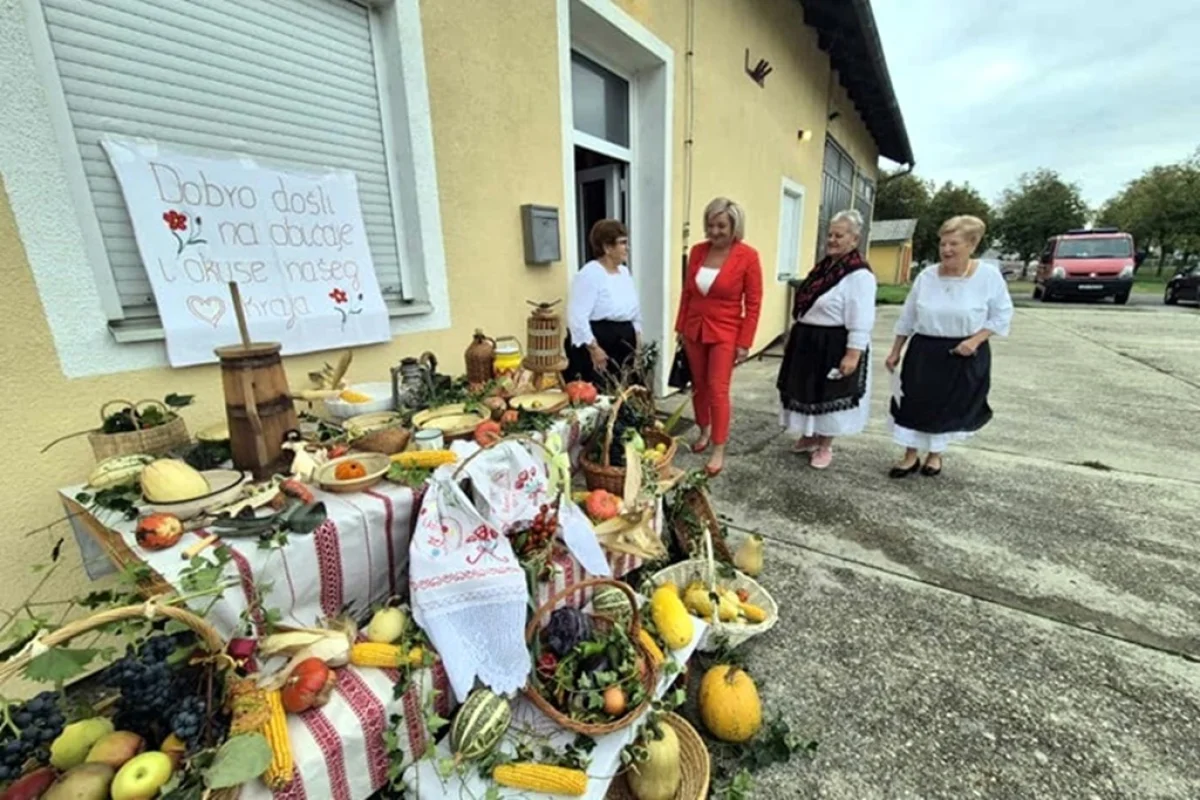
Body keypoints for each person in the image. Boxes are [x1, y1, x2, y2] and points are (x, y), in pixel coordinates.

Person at [885, 215, 1014, 477]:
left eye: (953, 244)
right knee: (913, 404)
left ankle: (935, 455)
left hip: (963, 353)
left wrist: (975, 340)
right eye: (943, 244)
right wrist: (896, 350)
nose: (946, 250)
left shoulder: (988, 277)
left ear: (971, 245)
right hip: (924, 352)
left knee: (947, 408)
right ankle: (910, 456)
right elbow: (908, 316)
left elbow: (1002, 315)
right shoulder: (926, 276)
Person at [776, 209, 877, 469]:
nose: (831, 240)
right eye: (830, 234)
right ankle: (810, 436)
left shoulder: (859, 275)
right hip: (808, 339)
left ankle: (825, 445)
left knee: (828, 395)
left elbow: (861, 317)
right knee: (807, 390)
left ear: (854, 239)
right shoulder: (824, 268)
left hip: (834, 342)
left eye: (838, 236)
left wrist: (853, 353)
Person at [675, 197, 763, 477]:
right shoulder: (698, 251)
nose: (715, 231)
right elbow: (687, 293)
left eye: (721, 226)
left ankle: (718, 447)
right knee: (699, 386)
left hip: (726, 332)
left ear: (734, 226)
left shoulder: (748, 256)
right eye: (710, 225)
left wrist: (745, 342)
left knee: (717, 389)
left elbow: (754, 303)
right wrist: (680, 327)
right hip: (694, 329)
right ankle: (704, 429)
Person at [566, 219, 642, 388]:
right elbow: (577, 316)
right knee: (601, 391)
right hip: (601, 342)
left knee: (624, 391)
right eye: (622, 243)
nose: (627, 248)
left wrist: (637, 342)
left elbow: (634, 310)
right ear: (607, 247)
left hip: (624, 341)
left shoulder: (624, 272)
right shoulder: (590, 274)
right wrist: (594, 349)